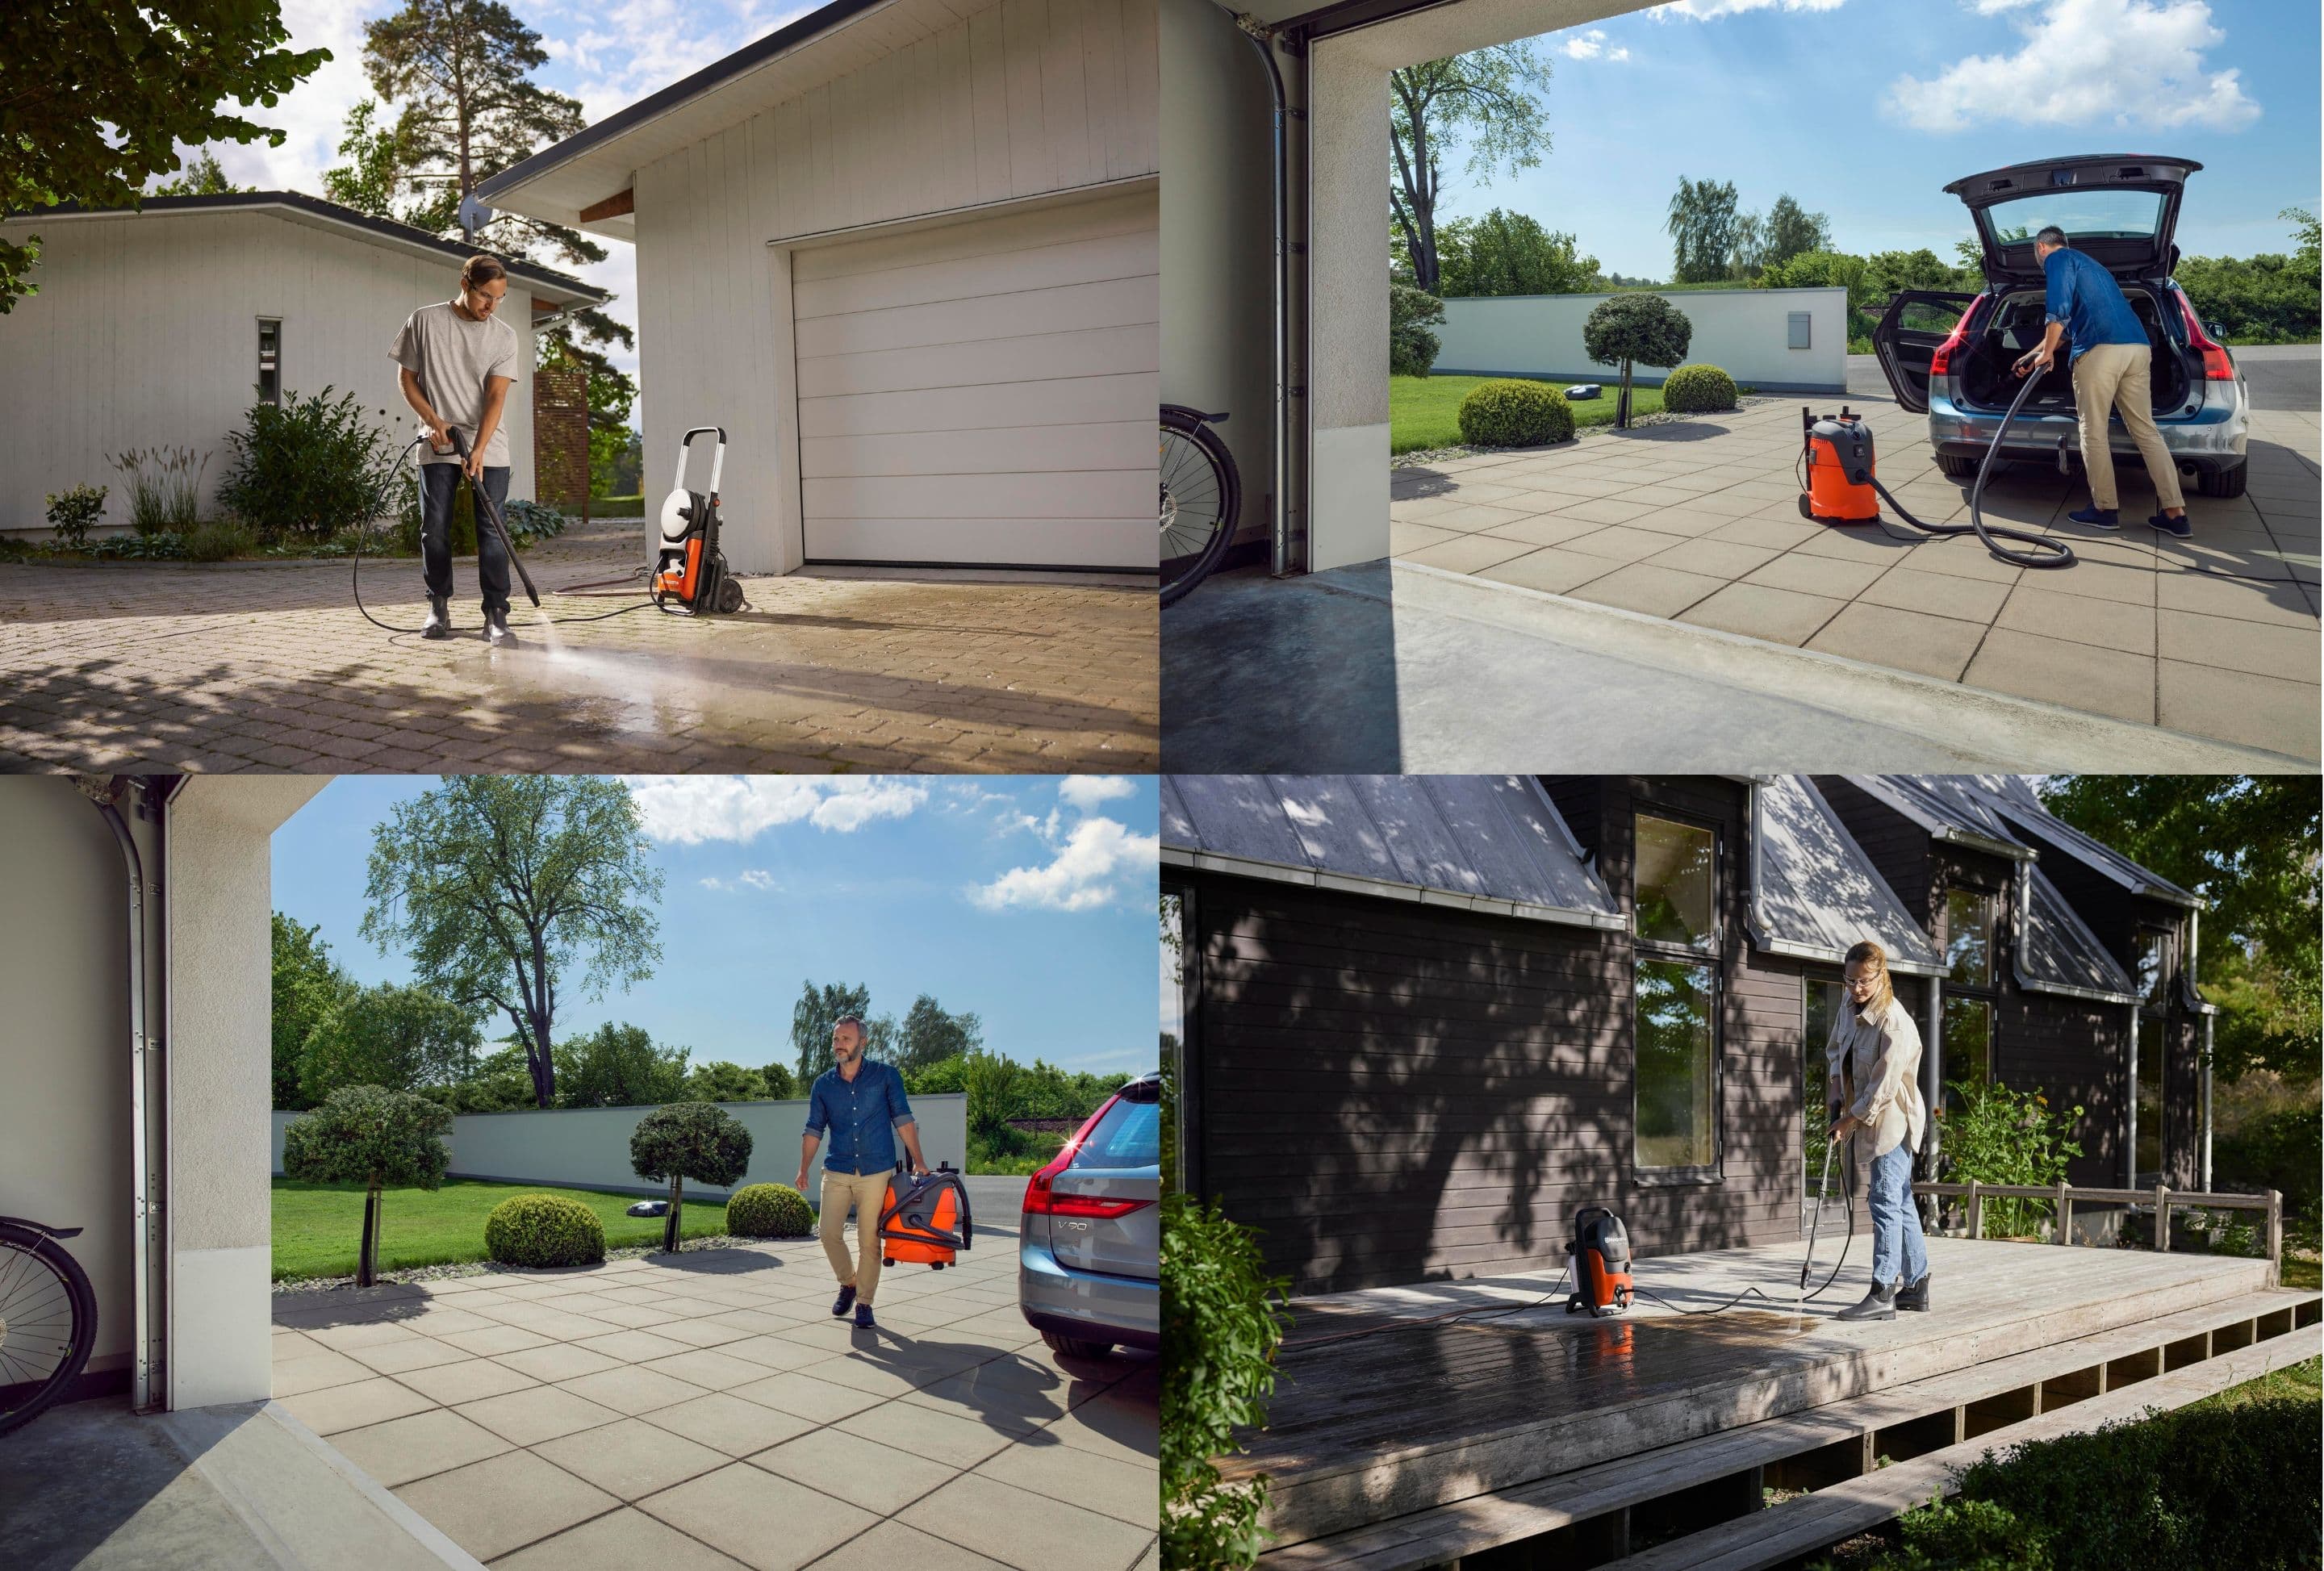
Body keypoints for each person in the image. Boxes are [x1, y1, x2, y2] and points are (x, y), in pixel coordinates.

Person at [2013, 225, 2191, 539]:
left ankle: (2105, 510)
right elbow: (2072, 326)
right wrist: (2035, 354)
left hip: (2100, 352)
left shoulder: (2057, 260)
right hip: (2137, 349)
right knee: (2146, 431)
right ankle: (2175, 514)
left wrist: (2049, 353)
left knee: (2093, 431)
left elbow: (2059, 310)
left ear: (2042, 247)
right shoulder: (2095, 268)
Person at [390, 255, 524, 645]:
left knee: (493, 531)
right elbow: (407, 379)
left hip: (488, 441)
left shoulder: (504, 336)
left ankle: (497, 615)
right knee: (435, 530)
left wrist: (479, 448)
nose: (491, 307)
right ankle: (438, 607)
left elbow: (496, 397)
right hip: (438, 440)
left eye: (500, 299)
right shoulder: (425, 321)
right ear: (465, 285)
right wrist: (433, 420)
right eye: (486, 296)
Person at [796, 1015, 926, 1330]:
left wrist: (919, 1161)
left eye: (846, 1039)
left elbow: (903, 1118)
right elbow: (814, 1128)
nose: (839, 1044)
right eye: (836, 1039)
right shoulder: (823, 1084)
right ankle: (848, 1283)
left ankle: (865, 1303)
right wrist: (803, 1169)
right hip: (837, 1167)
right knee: (828, 1234)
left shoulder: (885, 1076)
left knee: (870, 1240)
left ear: (862, 1043)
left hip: (875, 1170)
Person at [1826, 940, 1930, 1322]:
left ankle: (1883, 1290)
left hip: (1892, 1120)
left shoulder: (1894, 1022)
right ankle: (1917, 1286)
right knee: (1900, 1199)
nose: (1855, 988)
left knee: (1884, 1200)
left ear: (1881, 975)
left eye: (1863, 981)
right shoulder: (1848, 1004)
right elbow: (1836, 1048)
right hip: (1863, 1111)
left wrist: (1848, 1119)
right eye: (1850, 980)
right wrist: (1836, 1084)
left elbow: (1883, 1090)